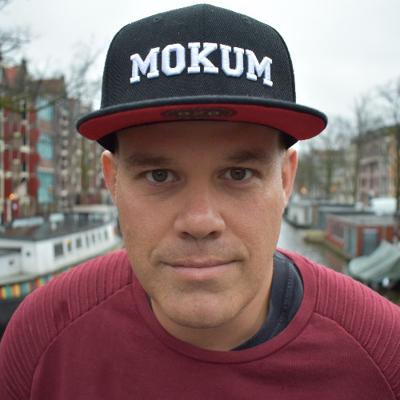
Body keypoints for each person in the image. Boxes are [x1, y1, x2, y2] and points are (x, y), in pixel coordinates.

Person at [1, 4, 399, 399]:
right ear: (113, 181)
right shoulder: (39, 340)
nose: (199, 221)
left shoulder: (387, 357)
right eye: (159, 175)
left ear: (285, 179)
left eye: (239, 174)